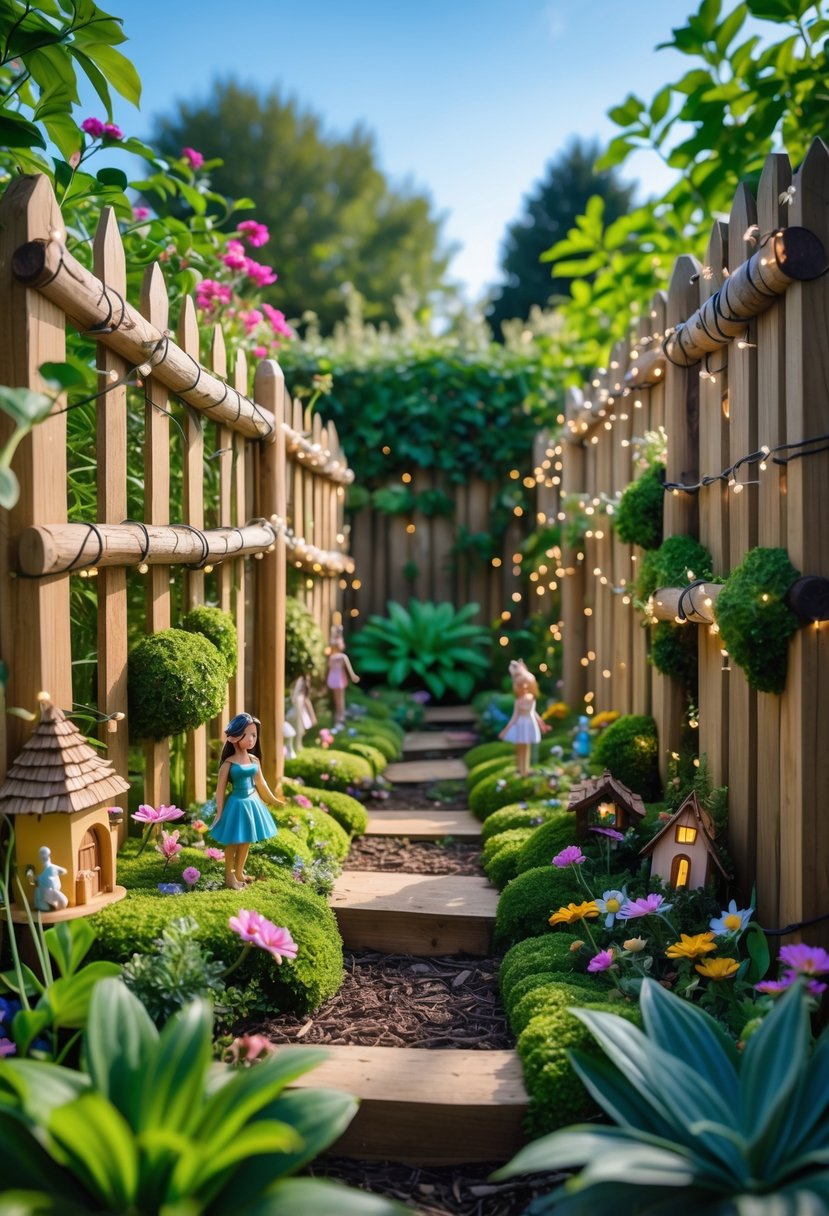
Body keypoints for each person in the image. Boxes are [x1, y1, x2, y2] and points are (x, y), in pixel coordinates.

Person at [210, 713, 279, 889]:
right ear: (235, 737)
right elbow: (220, 790)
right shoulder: (228, 764)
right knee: (233, 841)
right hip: (237, 803)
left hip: (252, 802)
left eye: (254, 735)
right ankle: (229, 876)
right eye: (247, 734)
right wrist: (219, 812)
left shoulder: (254, 760)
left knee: (246, 839)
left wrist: (273, 799)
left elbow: (261, 783)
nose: (251, 739)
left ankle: (239, 871)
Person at [499, 669, 550, 776]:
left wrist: (542, 725)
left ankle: (525, 770)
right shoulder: (518, 701)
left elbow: (535, 714)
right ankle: (521, 769)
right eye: (521, 684)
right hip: (521, 725)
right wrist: (506, 730)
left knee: (527, 748)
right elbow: (514, 717)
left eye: (527, 684)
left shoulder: (532, 700)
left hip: (529, 724)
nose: (525, 686)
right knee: (520, 748)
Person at [326, 626, 359, 725]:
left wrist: (335, 633)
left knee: (338, 700)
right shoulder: (340, 657)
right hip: (338, 679)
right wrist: (353, 677)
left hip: (333, 678)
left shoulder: (332, 657)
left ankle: (339, 717)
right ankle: (340, 718)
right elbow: (350, 671)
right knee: (340, 700)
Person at [33, 845, 69, 912]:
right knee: (38, 892)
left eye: (44, 855)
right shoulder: (48, 868)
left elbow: (64, 871)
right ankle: (44, 905)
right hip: (46, 891)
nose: (43, 857)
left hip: (53, 890)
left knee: (63, 902)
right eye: (42, 855)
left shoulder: (51, 867)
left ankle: (51, 904)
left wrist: (57, 871)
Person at [287, 674, 317, 751]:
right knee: (295, 731)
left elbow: (307, 704)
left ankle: (297, 746)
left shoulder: (302, 695)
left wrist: (312, 716)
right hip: (295, 715)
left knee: (298, 731)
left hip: (299, 715)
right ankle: (294, 747)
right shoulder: (299, 695)